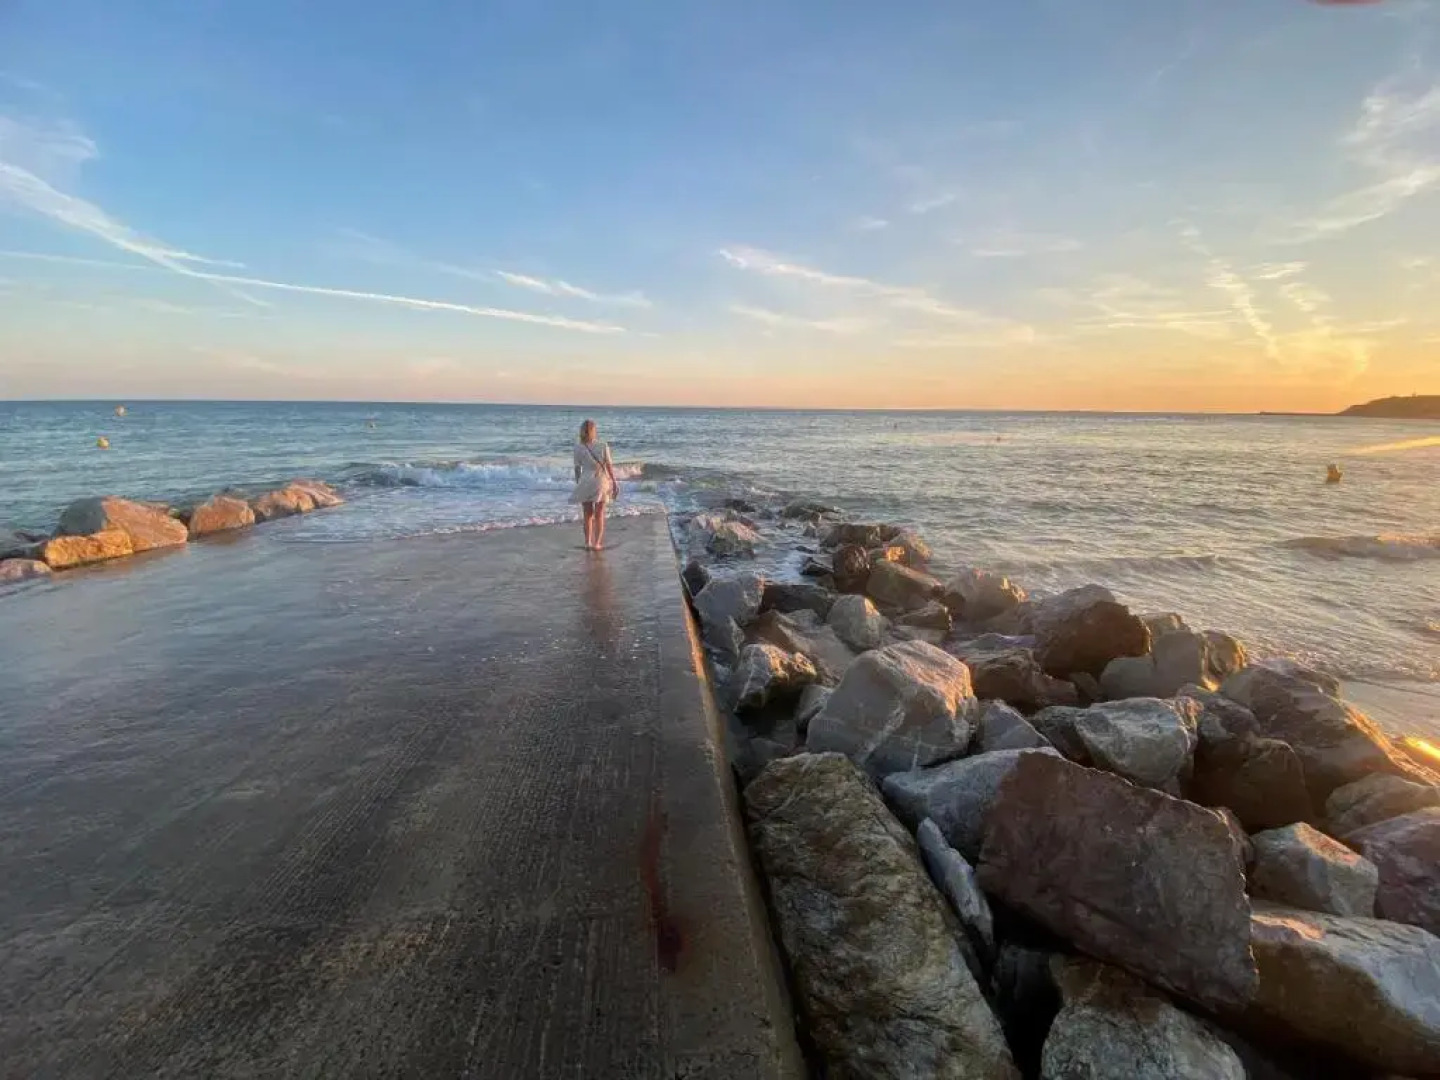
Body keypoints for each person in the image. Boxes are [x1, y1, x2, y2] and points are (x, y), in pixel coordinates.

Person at [571, 419, 619, 550]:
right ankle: (597, 543)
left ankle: (588, 543)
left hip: (585, 480)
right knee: (599, 514)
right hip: (600, 481)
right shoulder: (603, 446)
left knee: (587, 514)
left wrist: (578, 483)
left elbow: (577, 468)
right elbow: (609, 465)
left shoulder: (578, 447)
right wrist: (614, 482)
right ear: (594, 431)